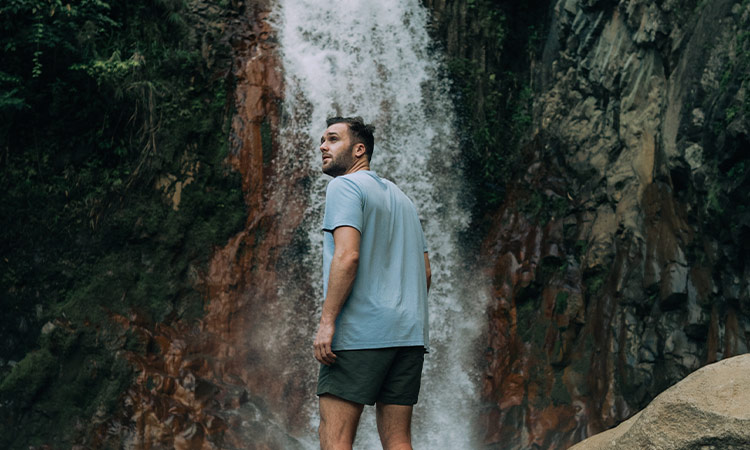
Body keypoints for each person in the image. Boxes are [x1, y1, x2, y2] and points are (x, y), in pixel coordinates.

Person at [314, 116, 431, 450]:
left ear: (359, 149)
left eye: (333, 139)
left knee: (335, 437)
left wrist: (327, 323)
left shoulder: (344, 186)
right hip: (408, 336)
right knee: (398, 440)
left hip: (360, 334)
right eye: (322, 140)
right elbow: (425, 272)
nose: (323, 146)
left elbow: (347, 256)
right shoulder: (404, 200)